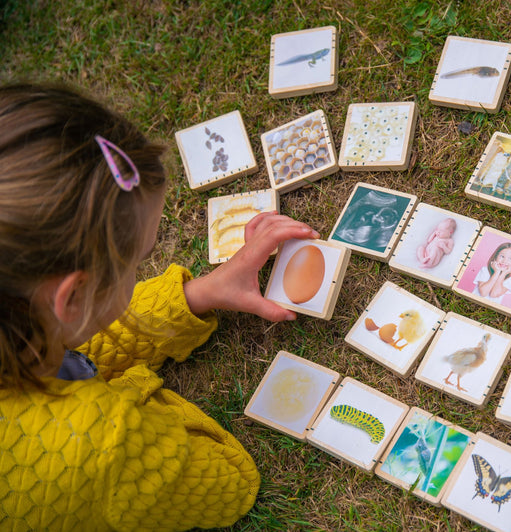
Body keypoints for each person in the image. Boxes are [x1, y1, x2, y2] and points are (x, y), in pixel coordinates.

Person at [0, 84, 320, 531]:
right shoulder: (104, 442)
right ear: (73, 298)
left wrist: (198, 295)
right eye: (138, 261)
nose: (140, 270)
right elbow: (228, 484)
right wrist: (126, 400)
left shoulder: (19, 321)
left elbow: (77, 339)